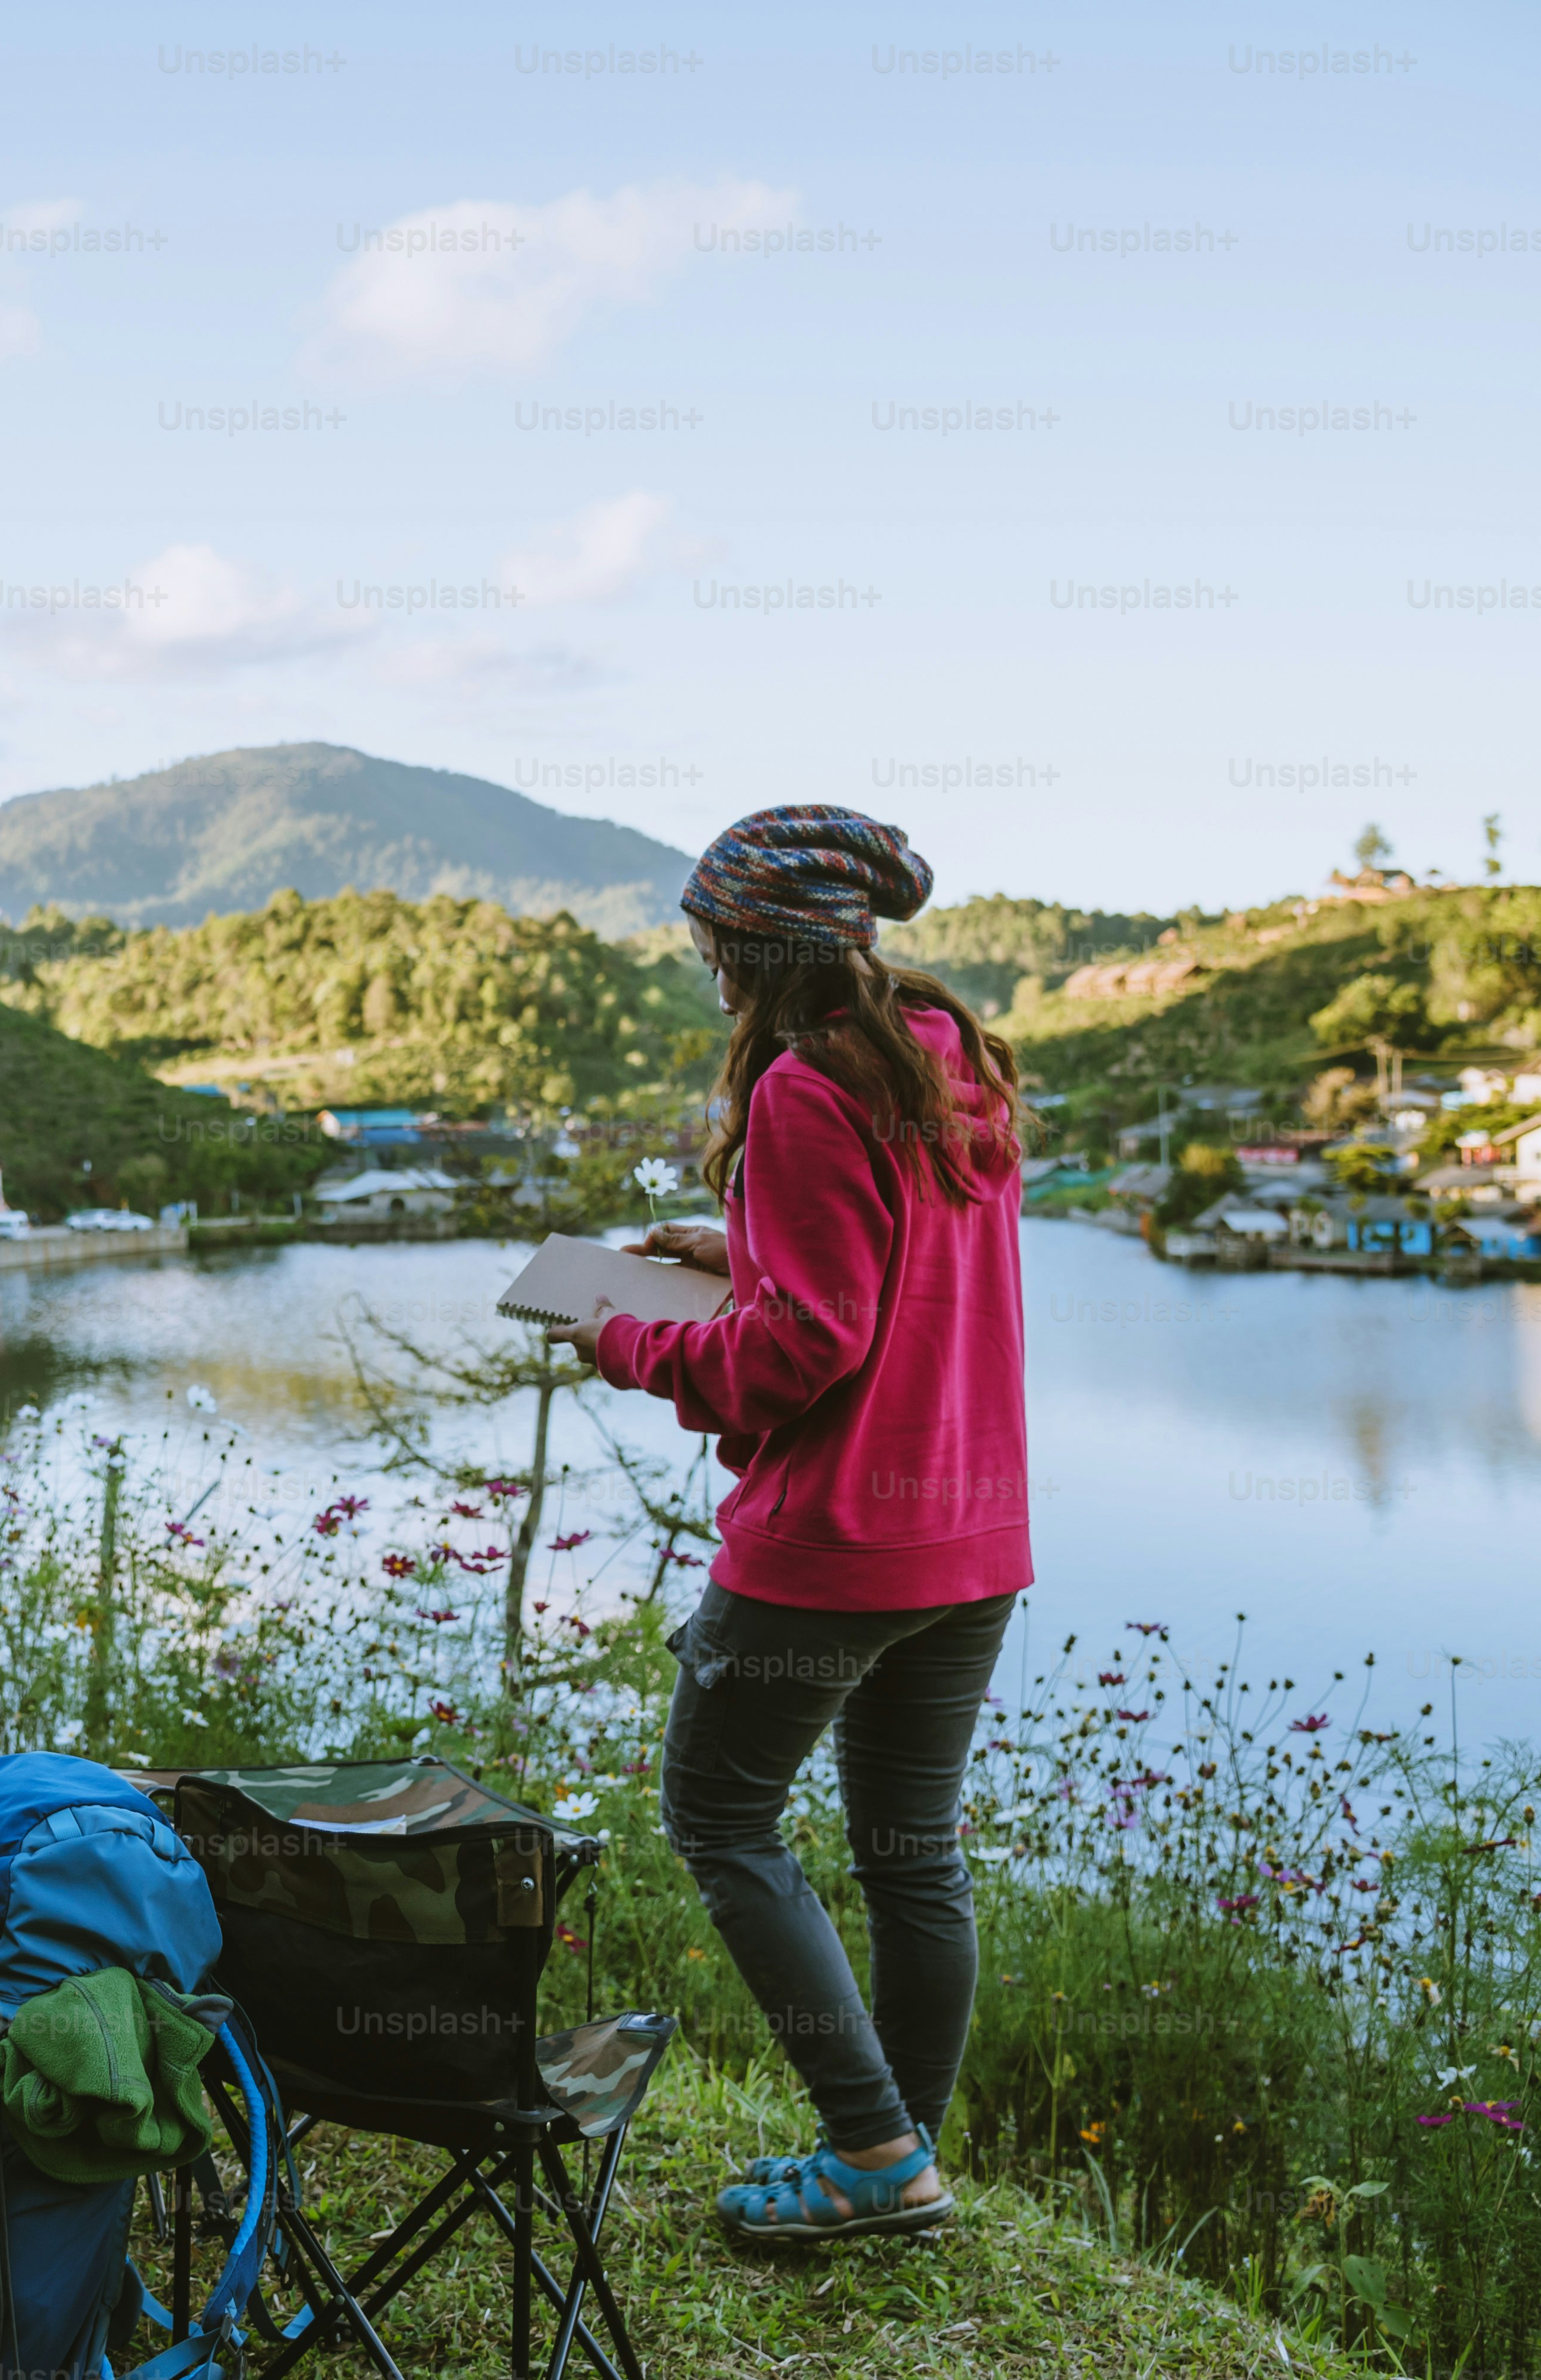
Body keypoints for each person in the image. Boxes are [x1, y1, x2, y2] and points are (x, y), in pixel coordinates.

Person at [546, 805, 1028, 2243]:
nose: (703, 964)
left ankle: (870, 2147)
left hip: (833, 1544)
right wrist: (736, 1247)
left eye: (707, 941)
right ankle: (900, 2158)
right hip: (971, 1537)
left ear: (748, 948)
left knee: (717, 1813)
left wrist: (621, 1334)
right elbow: (877, 1270)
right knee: (910, 1852)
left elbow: (798, 1349)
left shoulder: (801, 1090)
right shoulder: (947, 1062)